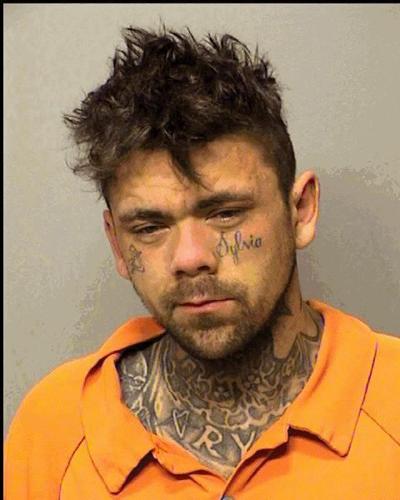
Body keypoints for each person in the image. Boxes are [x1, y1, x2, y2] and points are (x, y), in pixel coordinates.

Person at [5, 26, 400, 500]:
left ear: (301, 211)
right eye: (149, 227)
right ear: (117, 244)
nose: (190, 258)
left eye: (225, 214)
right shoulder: (53, 428)